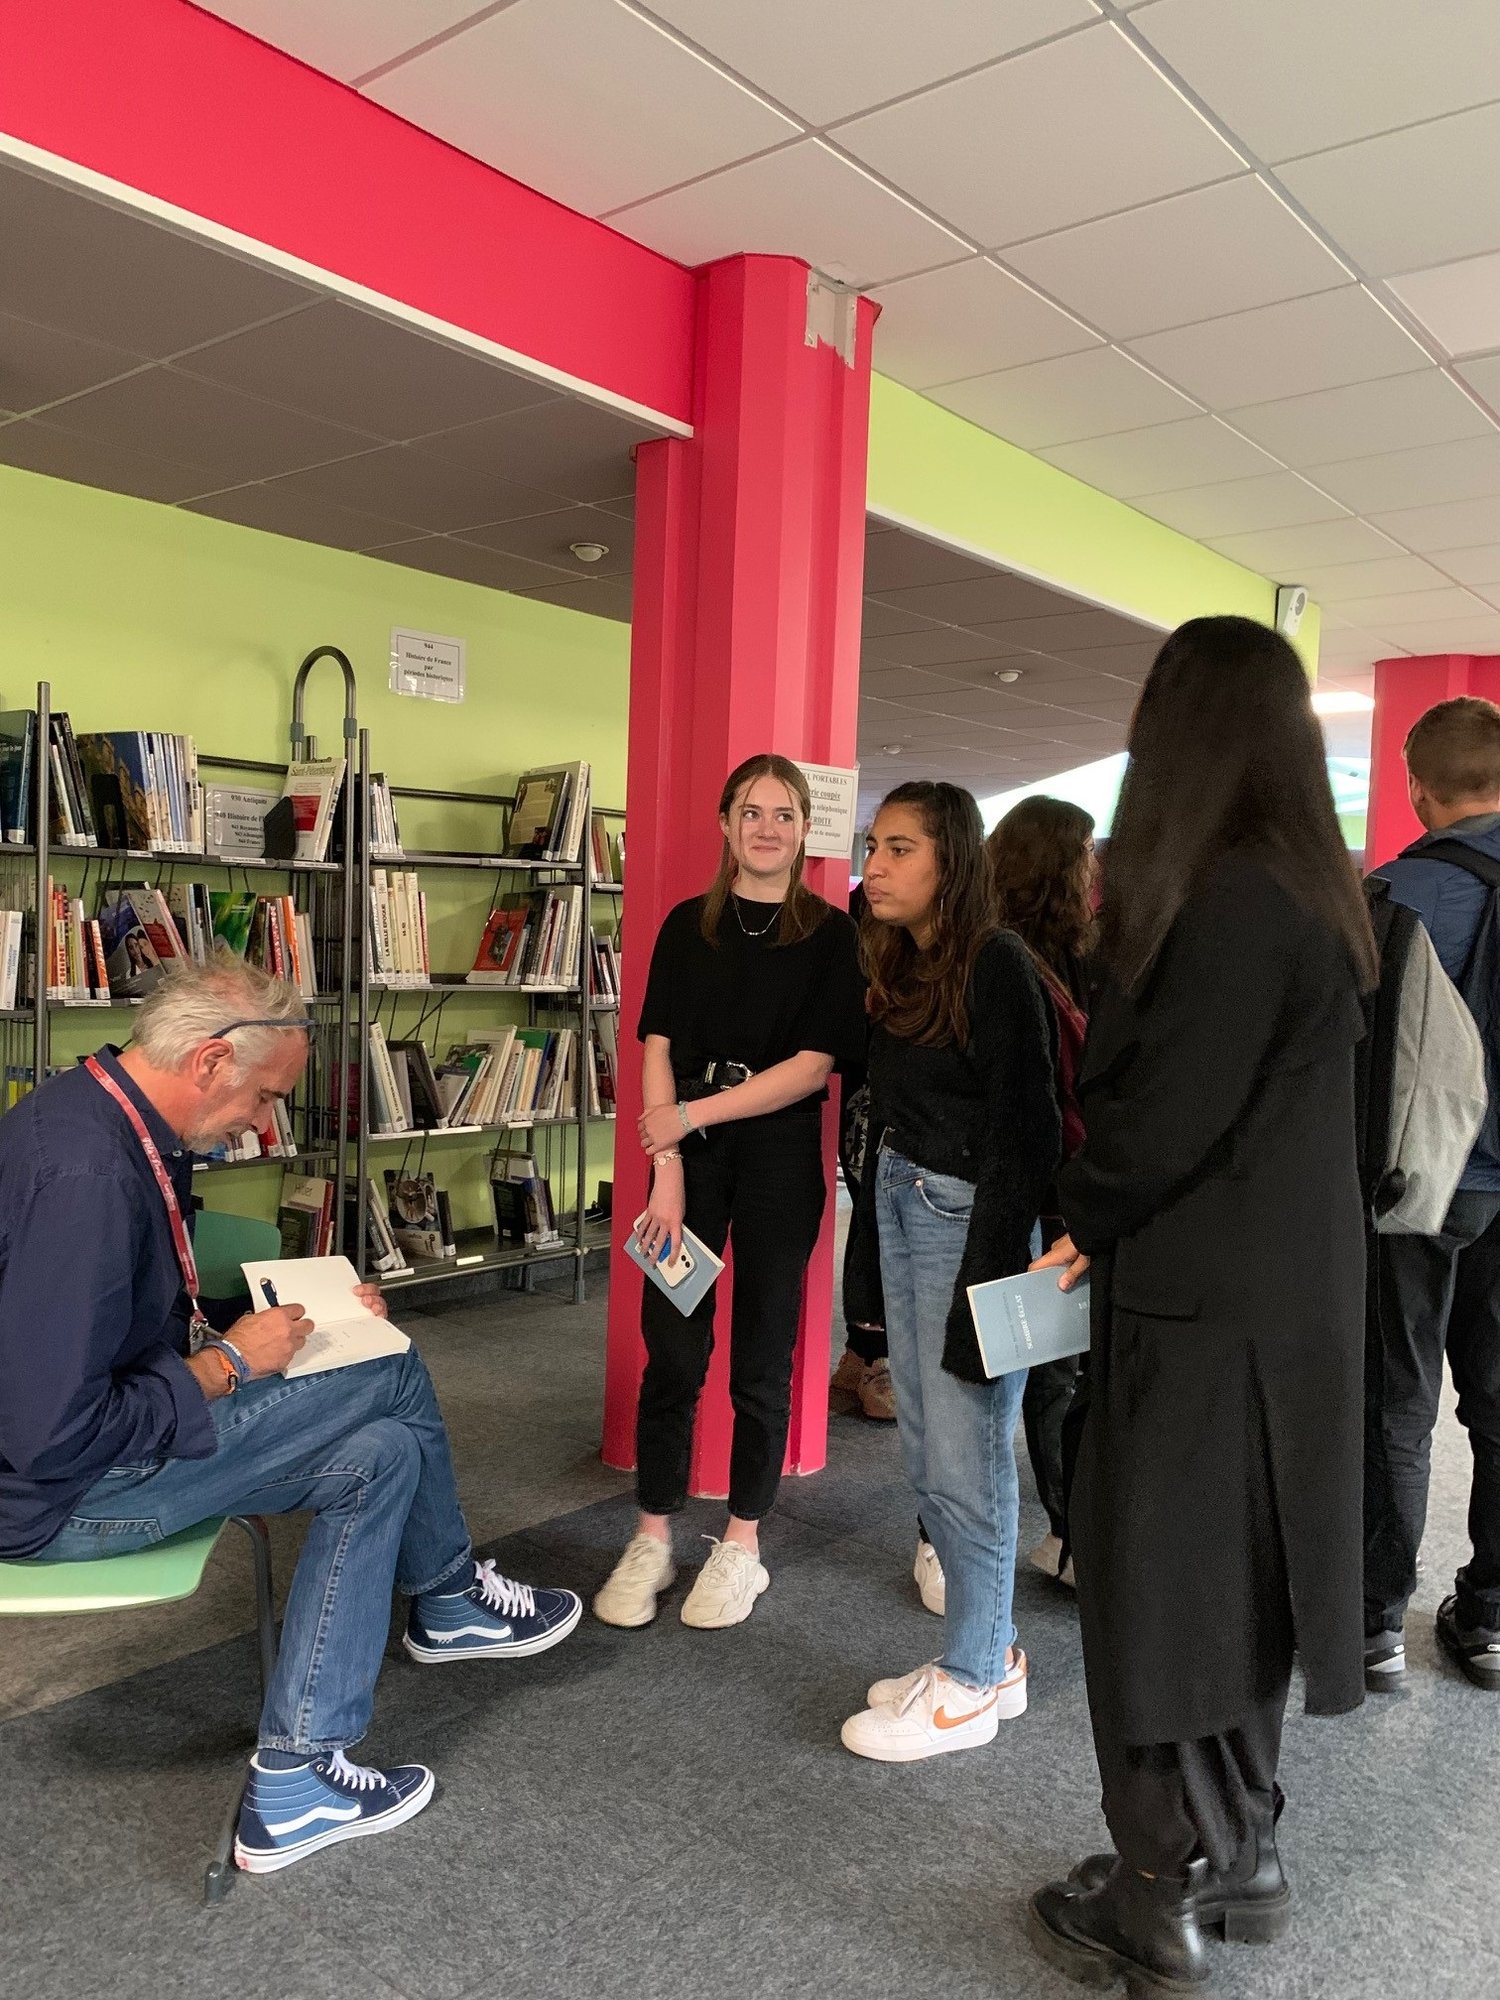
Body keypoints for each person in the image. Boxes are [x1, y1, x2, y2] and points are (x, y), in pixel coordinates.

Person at [0, 957, 581, 1875]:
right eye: (265, 1096)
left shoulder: (103, 1113)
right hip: (61, 1495)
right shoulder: (88, 1178)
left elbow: (114, 1321)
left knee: (383, 1453)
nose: (264, 1122)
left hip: (93, 1444)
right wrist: (228, 1364)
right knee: (389, 1367)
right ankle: (449, 1596)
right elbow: (51, 1433)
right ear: (208, 1061)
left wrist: (283, 1321)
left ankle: (297, 1775)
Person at [1025, 617, 1378, 1994]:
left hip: (1198, 1314)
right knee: (1239, 1594)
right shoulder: (1309, 890)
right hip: (1283, 1306)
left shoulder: (1228, 900)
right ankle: (1241, 1854)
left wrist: (1075, 1204)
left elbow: (1160, 1123)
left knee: (1163, 1596)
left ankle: (1159, 1891)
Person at [593, 753, 865, 1632]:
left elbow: (811, 1068)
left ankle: (743, 1542)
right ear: (725, 822)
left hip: (780, 1155)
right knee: (672, 1352)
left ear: (805, 829)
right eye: (751, 811)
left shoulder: (831, 936)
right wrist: (667, 1167)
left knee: (762, 1356)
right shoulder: (687, 926)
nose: (767, 828)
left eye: (784, 814)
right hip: (689, 1161)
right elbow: (658, 1050)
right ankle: (652, 1535)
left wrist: (689, 1117)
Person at [839, 781, 1060, 1762]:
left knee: (968, 1454)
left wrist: (984, 1287)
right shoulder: (900, 956)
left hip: (966, 1220)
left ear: (951, 860)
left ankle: (971, 1678)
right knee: (930, 1450)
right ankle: (991, 1653)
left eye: (901, 848)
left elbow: (1030, 1131)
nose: (876, 866)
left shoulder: (996, 961)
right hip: (902, 1197)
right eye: (873, 846)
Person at [1363, 695, 1500, 1694]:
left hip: (1417, 1187)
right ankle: (1490, 1620)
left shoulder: (1392, 894)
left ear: (1417, 786)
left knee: (1396, 1400)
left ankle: (1371, 1622)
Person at [987, 794, 1097, 1587]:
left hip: (1057, 1184)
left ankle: (1066, 1531)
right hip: (1057, 1188)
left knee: (1053, 1372)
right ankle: (1068, 1535)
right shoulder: (1020, 961)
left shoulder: (1062, 953)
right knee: (1055, 1371)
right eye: (1084, 852)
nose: (1095, 868)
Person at [830, 881, 899, 1425]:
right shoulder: (860, 924)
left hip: (875, 1094)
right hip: (872, 1096)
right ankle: (874, 1355)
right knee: (879, 1223)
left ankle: (866, 1352)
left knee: (875, 1222)